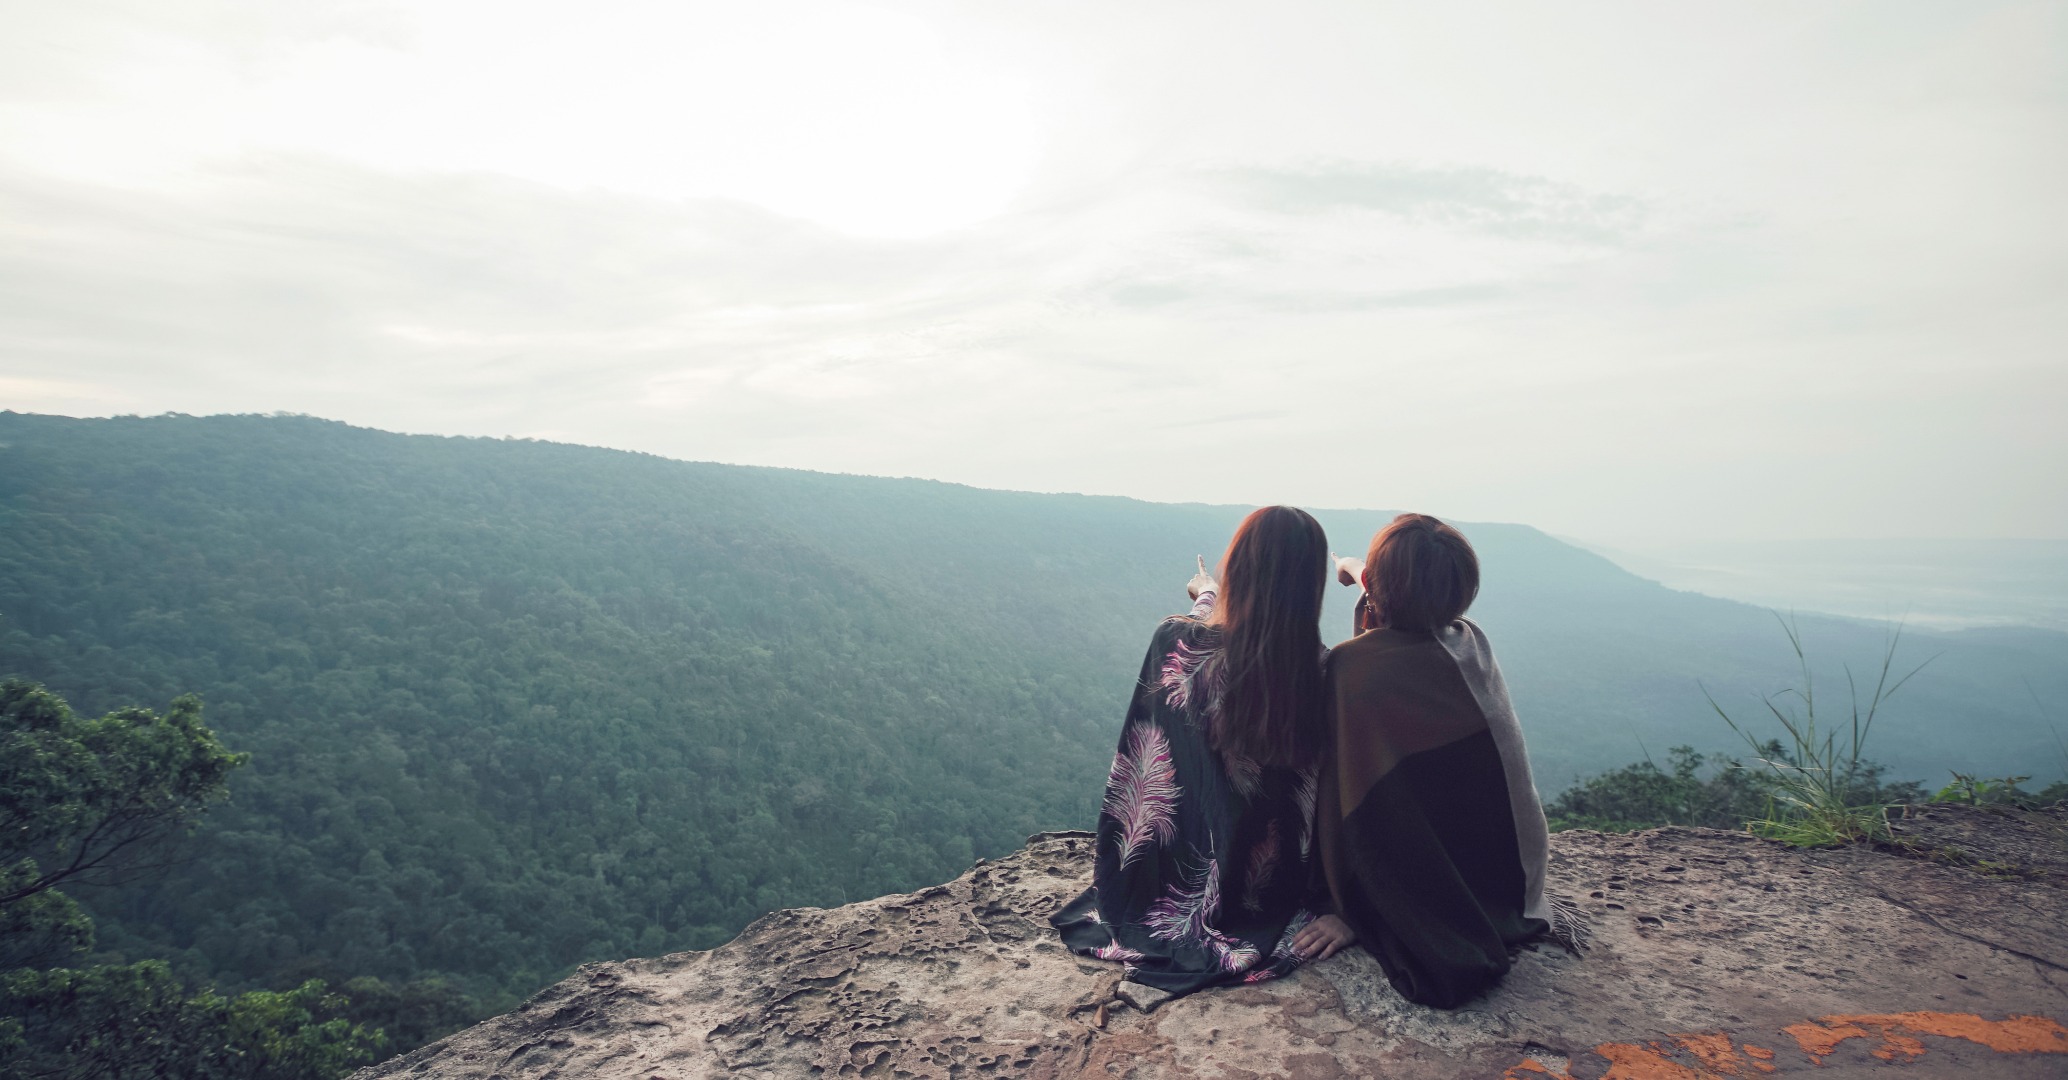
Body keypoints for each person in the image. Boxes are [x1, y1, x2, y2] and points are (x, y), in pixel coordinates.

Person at [1051, 506, 1357, 996]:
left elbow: (1200, 635)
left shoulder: (1175, 643)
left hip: (1173, 874)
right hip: (1270, 884)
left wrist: (1207, 594)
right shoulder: (1325, 671)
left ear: (1238, 569)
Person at [1317, 513, 1586, 1009]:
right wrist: (1357, 570)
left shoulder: (1352, 670)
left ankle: (1358, 903)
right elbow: (1402, 613)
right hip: (1508, 876)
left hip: (1444, 890)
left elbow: (1350, 798)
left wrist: (1348, 906)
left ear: (1377, 590)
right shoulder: (1469, 641)